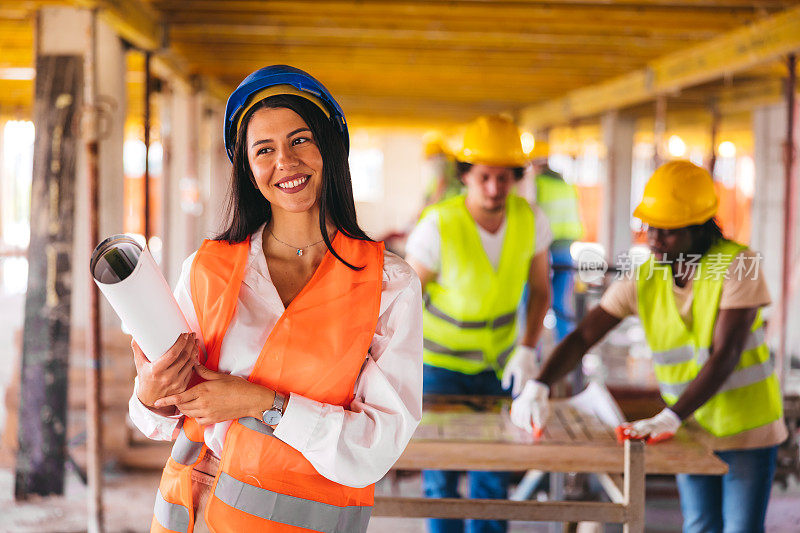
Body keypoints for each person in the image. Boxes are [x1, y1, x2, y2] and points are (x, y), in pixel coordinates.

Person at [128, 65, 423, 533]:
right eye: (263, 150)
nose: (285, 161)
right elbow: (158, 416)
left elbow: (375, 446)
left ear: (330, 147)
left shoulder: (388, 284)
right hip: (186, 521)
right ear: (248, 169)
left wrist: (260, 403)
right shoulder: (207, 268)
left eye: (300, 140)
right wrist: (149, 394)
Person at [511, 160, 787, 533]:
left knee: (740, 529)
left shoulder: (738, 265)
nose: (654, 239)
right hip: (689, 426)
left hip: (746, 428)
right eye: (650, 227)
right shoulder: (645, 277)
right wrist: (539, 384)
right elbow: (582, 337)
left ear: (699, 228)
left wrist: (670, 416)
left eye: (668, 231)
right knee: (700, 525)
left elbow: (727, 356)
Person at [405, 114, 552, 533]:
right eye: (485, 177)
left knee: (493, 475)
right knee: (442, 479)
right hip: (439, 370)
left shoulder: (530, 220)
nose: (494, 188)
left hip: (499, 367)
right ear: (465, 175)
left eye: (504, 178)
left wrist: (528, 347)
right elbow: (406, 299)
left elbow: (541, 290)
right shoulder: (439, 225)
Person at [531, 140, 583, 342]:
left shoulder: (537, 184)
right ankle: (565, 346)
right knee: (561, 302)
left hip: (543, 250)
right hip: (565, 248)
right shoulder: (566, 185)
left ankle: (531, 350)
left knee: (533, 300)